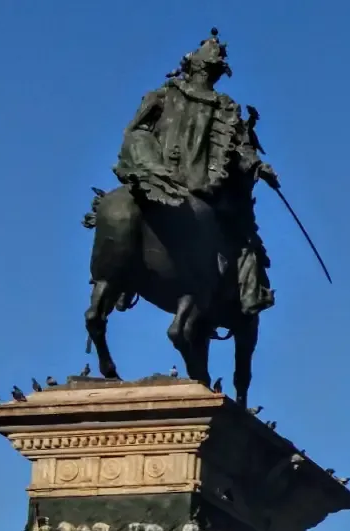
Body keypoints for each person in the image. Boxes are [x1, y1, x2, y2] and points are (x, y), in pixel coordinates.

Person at [114, 29, 276, 317]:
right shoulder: (226, 107)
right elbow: (242, 152)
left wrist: (150, 164)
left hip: (159, 176)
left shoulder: (163, 94)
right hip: (201, 188)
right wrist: (260, 168)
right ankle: (251, 295)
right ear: (215, 72)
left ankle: (122, 274)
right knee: (246, 241)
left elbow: (135, 130)